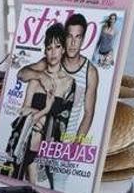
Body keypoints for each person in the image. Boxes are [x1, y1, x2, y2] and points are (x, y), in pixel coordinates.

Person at [3, 24, 75, 184]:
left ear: (63, 49)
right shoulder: (36, 78)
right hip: (28, 134)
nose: (53, 52)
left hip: (48, 142)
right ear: (45, 51)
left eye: (57, 47)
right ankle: (29, 184)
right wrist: (45, 111)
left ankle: (30, 182)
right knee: (33, 134)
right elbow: (23, 110)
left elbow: (64, 123)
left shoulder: (69, 83)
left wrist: (41, 116)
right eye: (49, 48)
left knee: (36, 136)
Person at [18, 12, 98, 143]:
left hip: (65, 142)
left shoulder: (90, 72)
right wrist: (40, 75)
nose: (72, 43)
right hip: (38, 135)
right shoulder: (52, 59)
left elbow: (88, 113)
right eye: (69, 36)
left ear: (83, 40)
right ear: (64, 38)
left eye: (77, 37)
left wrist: (75, 146)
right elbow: (21, 74)